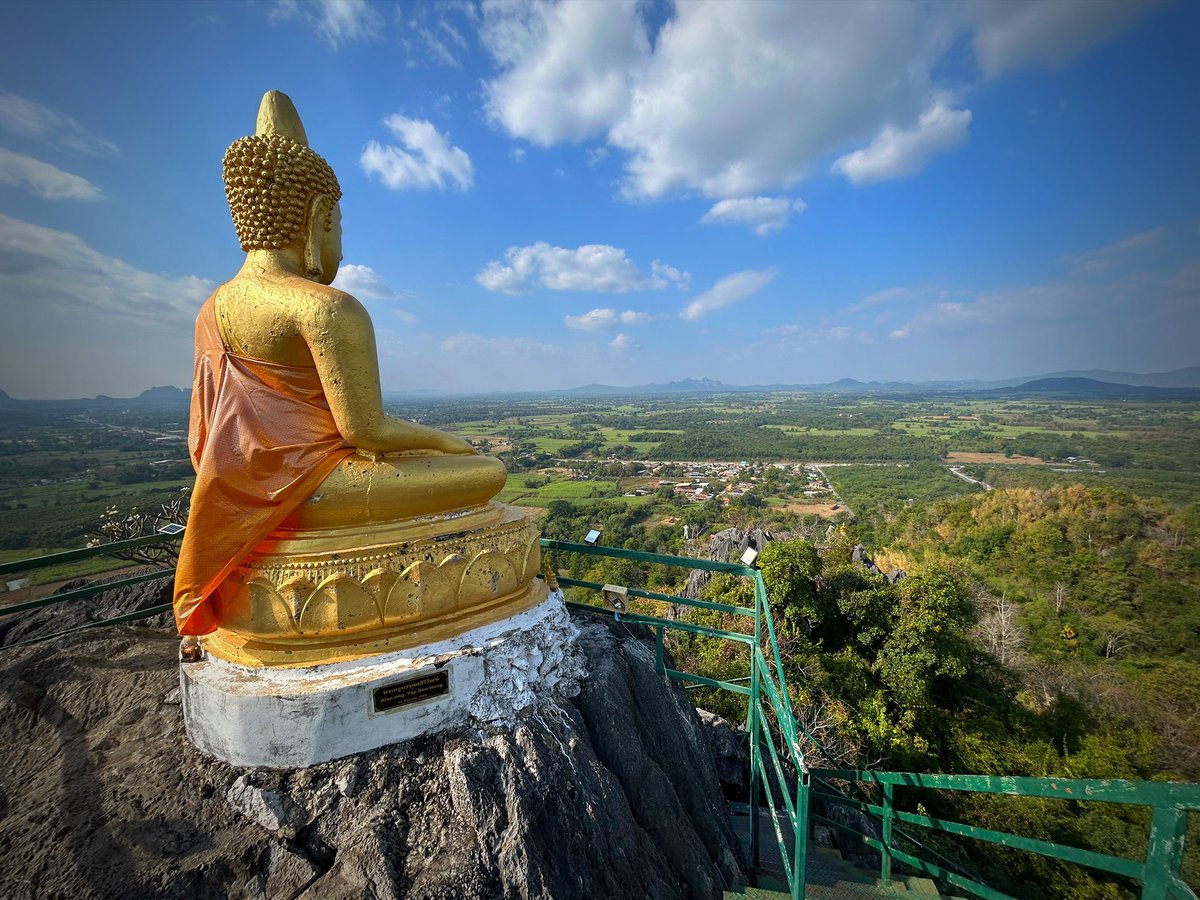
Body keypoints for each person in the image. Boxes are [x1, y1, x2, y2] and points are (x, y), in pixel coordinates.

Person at [173, 91, 505, 638]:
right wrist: (443, 441)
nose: (343, 250)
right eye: (341, 227)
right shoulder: (325, 308)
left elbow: (204, 438)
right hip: (315, 490)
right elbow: (366, 429)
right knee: (487, 472)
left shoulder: (212, 308)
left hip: (236, 495)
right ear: (319, 217)